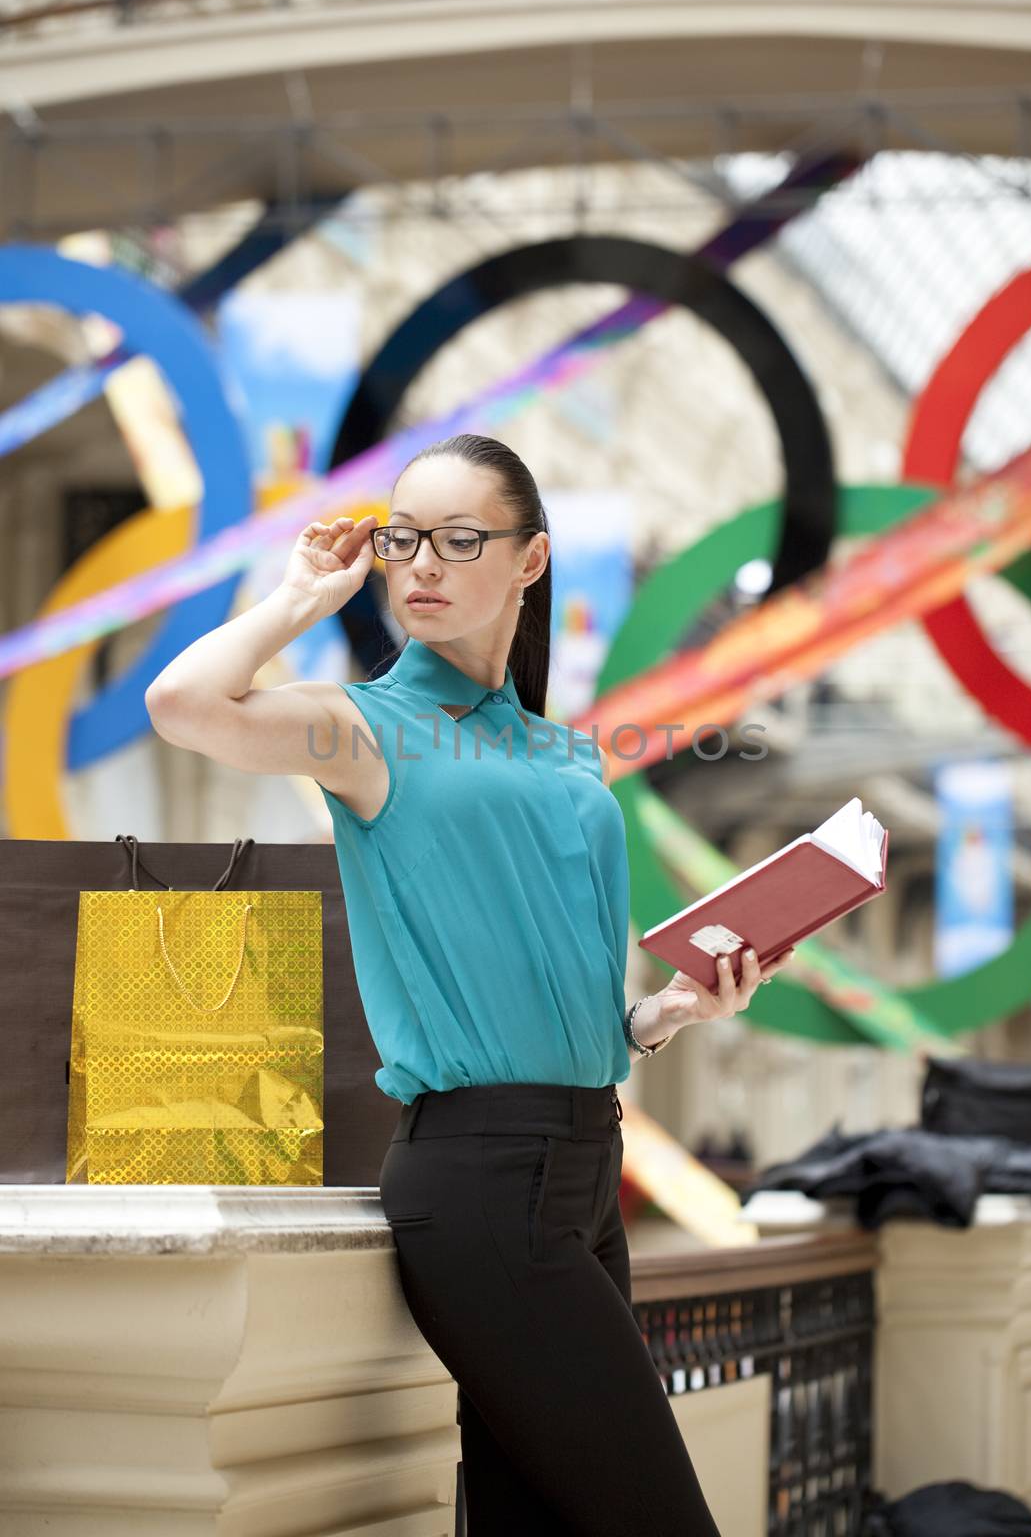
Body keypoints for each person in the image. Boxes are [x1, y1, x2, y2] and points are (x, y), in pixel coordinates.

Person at [145, 430, 797, 1535]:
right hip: (480, 1177)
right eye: (404, 540)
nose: (422, 568)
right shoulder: (365, 728)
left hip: (586, 1162)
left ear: (530, 562)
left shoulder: (567, 756)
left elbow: (565, 991)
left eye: (458, 539)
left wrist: (660, 1015)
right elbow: (183, 702)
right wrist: (303, 592)